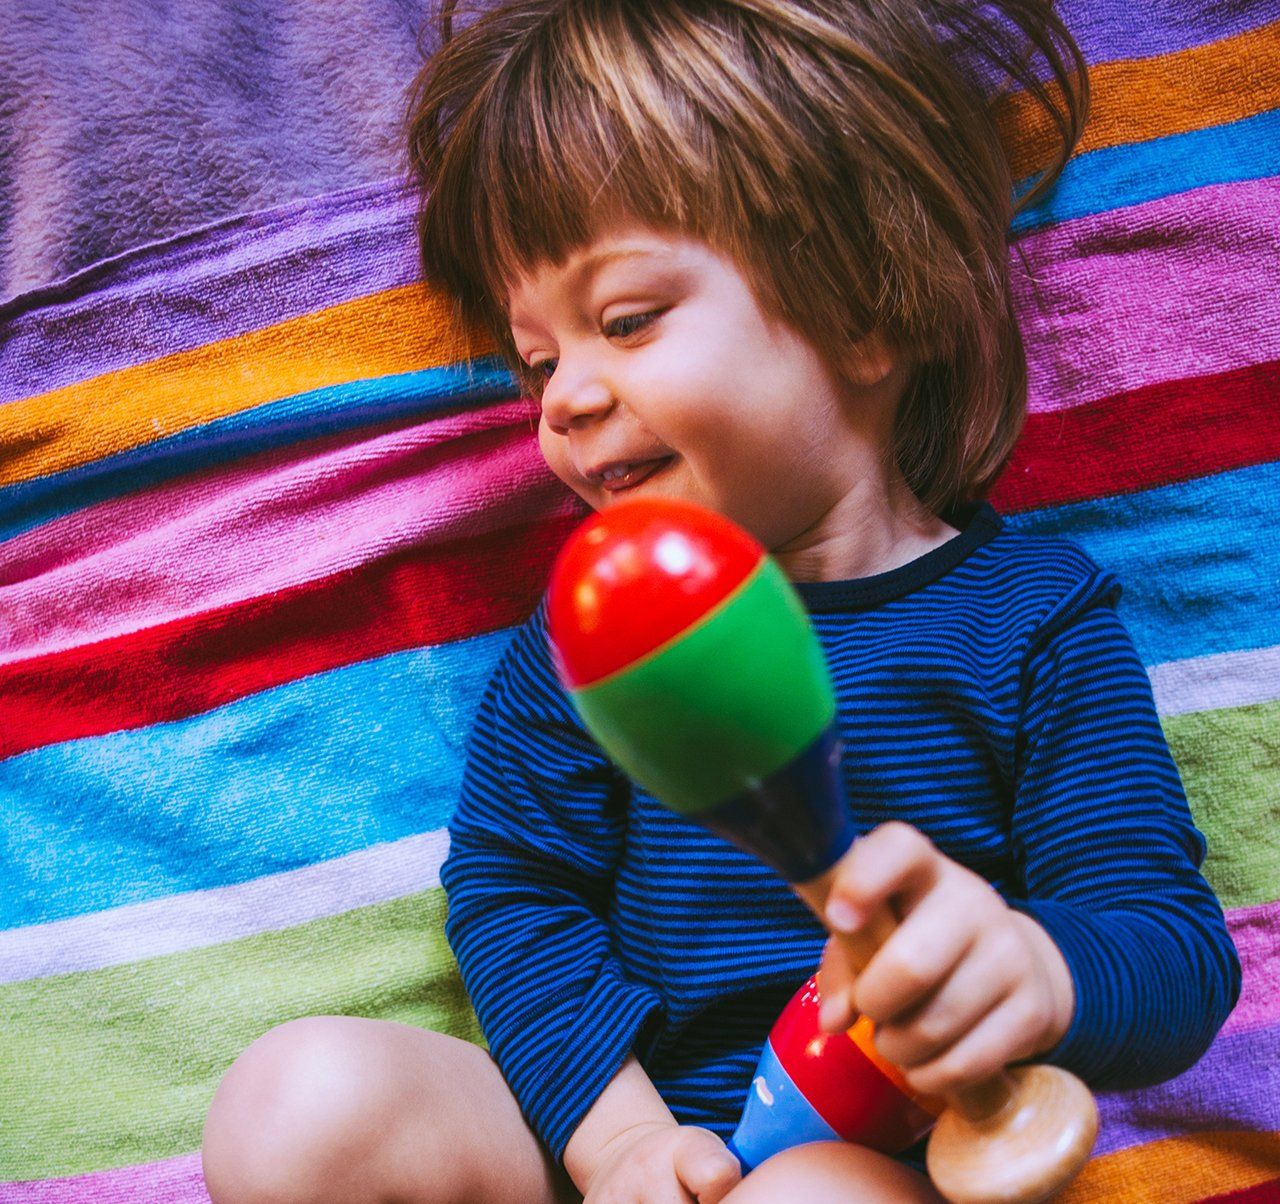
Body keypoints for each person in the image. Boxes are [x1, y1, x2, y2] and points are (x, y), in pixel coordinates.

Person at [201, 1, 1241, 1200]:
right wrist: (625, 1144)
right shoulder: (594, 635)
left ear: (864, 303)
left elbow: (1167, 950)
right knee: (301, 1097)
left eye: (625, 321)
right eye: (537, 361)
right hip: (620, 1147)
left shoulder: (1032, 623)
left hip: (873, 1166)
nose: (563, 399)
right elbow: (514, 891)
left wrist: (1034, 971)